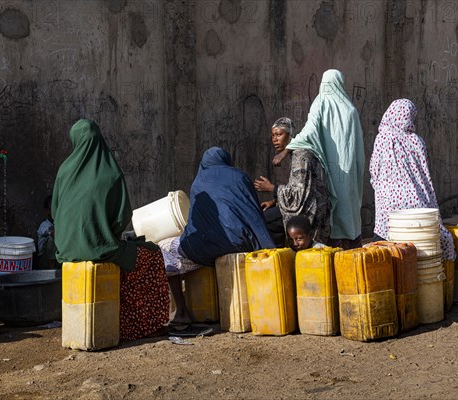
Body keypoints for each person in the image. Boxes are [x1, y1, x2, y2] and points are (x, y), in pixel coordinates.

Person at [51, 119, 170, 341]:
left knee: (127, 258)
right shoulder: (109, 171)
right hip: (99, 248)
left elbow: (55, 210)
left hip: (65, 250)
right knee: (151, 255)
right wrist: (108, 234)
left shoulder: (64, 170)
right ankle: (141, 326)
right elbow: (122, 216)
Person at [165, 146, 275, 330]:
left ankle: (182, 313)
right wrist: (267, 246)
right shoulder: (240, 177)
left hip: (205, 247)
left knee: (165, 249)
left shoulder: (199, 183)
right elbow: (253, 214)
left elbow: (195, 223)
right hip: (242, 243)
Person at [272, 70, 365, 250]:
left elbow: (309, 132)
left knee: (334, 214)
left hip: (330, 171)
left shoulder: (321, 103)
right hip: (349, 173)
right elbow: (358, 148)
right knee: (348, 212)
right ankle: (352, 252)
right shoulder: (351, 109)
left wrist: (286, 150)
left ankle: (335, 255)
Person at [369, 99, 456, 260]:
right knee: (426, 241)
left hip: (389, 203)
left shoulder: (383, 138)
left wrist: (381, 187)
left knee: (383, 242)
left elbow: (374, 171)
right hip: (418, 201)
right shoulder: (417, 141)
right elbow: (424, 173)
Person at [254, 117, 331, 247]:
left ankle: (278, 257)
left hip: (309, 211)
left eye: (279, 134)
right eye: (273, 135)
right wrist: (273, 201)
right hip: (308, 207)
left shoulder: (300, 156)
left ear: (291, 135)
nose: (274, 139)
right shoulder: (298, 153)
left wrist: (272, 188)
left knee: (263, 220)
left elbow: (299, 195)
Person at [36, 195, 60, 269]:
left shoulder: (59, 223)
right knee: (51, 240)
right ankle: (51, 271)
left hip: (57, 258)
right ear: (47, 211)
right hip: (45, 260)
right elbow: (54, 234)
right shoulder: (44, 225)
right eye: (53, 208)